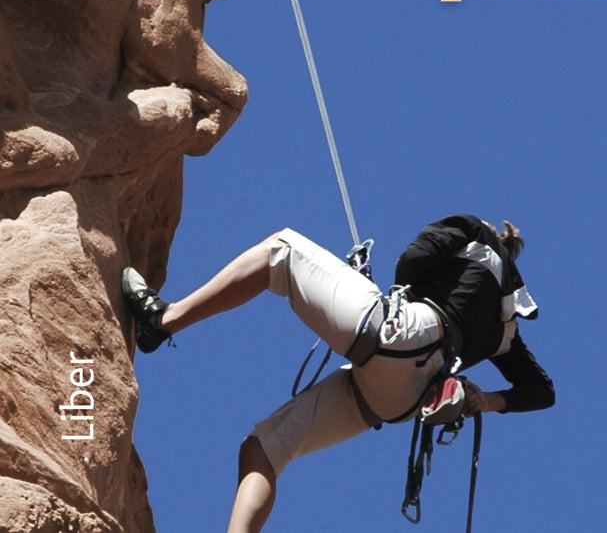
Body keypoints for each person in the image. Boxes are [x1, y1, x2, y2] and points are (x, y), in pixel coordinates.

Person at [122, 214, 555, 533]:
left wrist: (370, 286)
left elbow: (411, 262)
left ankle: (162, 321)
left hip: (402, 335)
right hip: (400, 401)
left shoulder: (474, 232)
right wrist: (487, 401)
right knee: (263, 450)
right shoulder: (507, 325)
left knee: (282, 250)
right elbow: (541, 390)